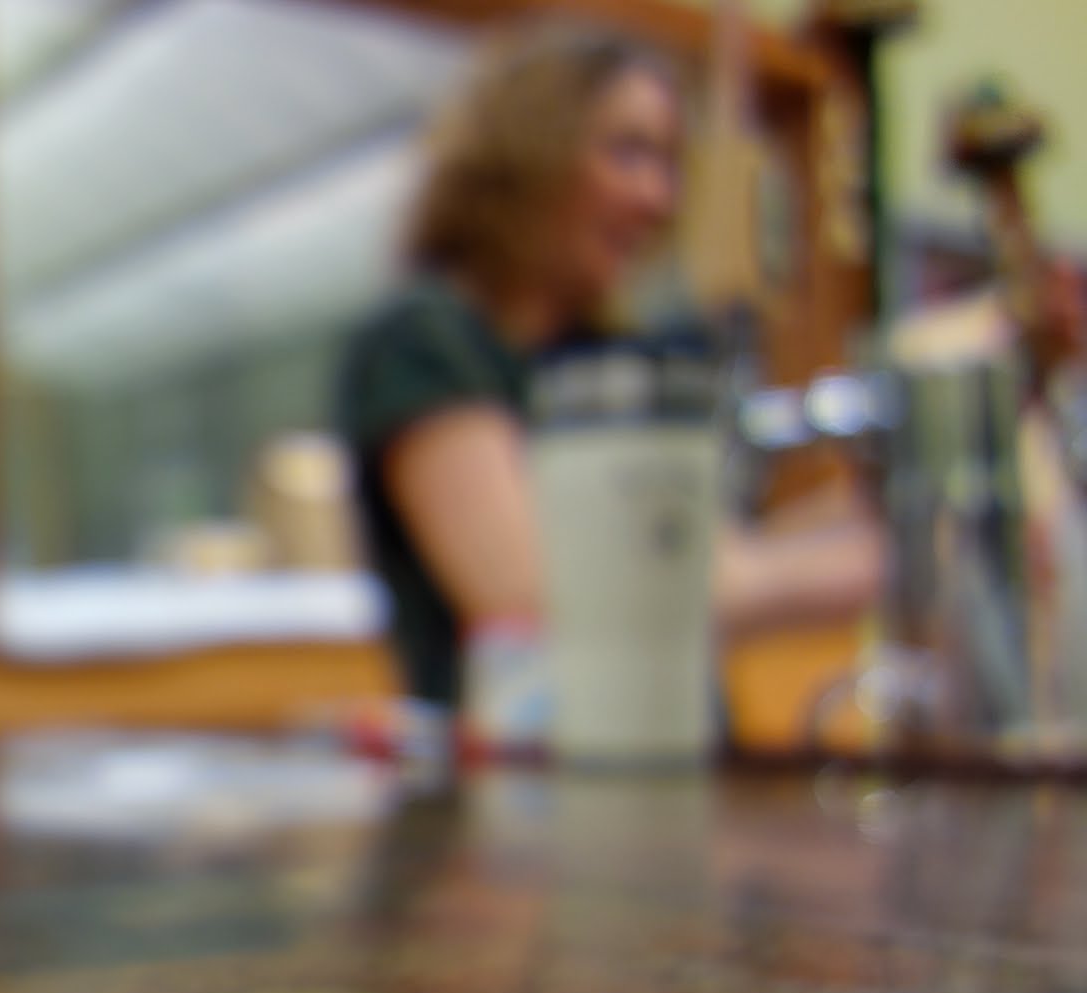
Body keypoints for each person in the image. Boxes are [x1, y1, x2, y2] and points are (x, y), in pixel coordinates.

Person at [338, 23, 883, 712]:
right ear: (530, 149)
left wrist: (871, 524)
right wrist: (851, 569)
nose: (659, 197)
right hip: (531, 767)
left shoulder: (605, 352)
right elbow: (526, 591)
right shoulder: (425, 341)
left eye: (668, 163)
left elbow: (700, 554)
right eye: (627, 151)